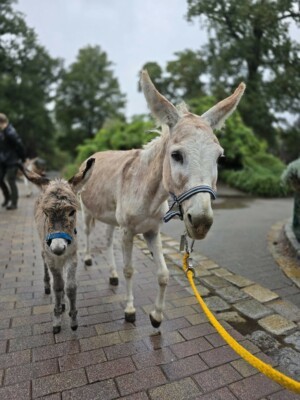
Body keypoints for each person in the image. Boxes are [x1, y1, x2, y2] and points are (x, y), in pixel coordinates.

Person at [0, 113, 26, 210]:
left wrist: (22, 159)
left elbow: (20, 146)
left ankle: (14, 203)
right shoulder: (3, 132)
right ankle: (7, 197)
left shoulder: (11, 132)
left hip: (12, 160)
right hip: (3, 160)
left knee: (10, 180)